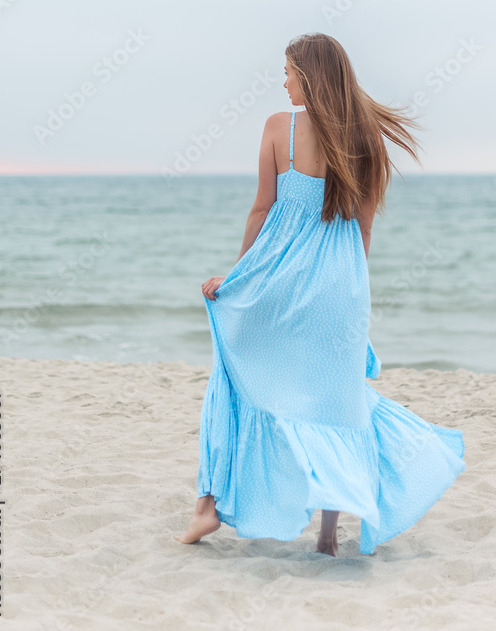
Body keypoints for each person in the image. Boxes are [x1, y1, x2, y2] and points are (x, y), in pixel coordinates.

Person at [175, 32, 465, 556]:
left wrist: (237, 277)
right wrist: (351, 291)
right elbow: (363, 229)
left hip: (279, 278)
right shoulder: (367, 136)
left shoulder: (278, 128)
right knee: (338, 401)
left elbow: (262, 210)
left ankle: (207, 507)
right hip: (339, 286)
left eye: (288, 71)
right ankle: (328, 537)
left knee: (236, 373)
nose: (283, 80)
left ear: (308, 75)